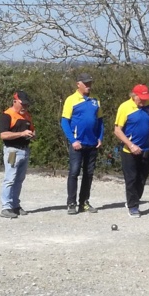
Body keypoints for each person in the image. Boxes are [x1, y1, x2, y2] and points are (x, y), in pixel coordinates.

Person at [114, 84, 149, 218]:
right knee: (131, 178)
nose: (144, 101)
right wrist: (130, 145)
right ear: (133, 96)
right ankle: (133, 206)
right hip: (129, 150)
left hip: (146, 148)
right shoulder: (125, 107)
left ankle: (133, 200)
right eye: (141, 98)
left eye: (146, 98)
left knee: (142, 178)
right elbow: (117, 130)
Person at [61, 73, 104, 215]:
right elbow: (64, 122)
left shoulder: (95, 100)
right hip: (77, 144)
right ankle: (71, 203)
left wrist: (100, 137)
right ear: (78, 84)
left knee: (89, 174)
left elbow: (100, 121)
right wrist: (72, 141)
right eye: (85, 83)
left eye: (90, 83)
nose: (88, 86)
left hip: (92, 143)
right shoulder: (71, 100)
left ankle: (84, 202)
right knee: (74, 172)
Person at [0, 90, 35, 219]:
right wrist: (21, 134)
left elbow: (30, 130)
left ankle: (15, 205)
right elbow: (3, 135)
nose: (25, 107)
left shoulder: (27, 116)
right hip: (12, 151)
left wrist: (31, 134)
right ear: (15, 101)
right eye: (22, 104)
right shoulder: (7, 115)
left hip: (24, 150)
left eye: (26, 104)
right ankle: (6, 207)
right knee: (10, 179)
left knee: (19, 179)